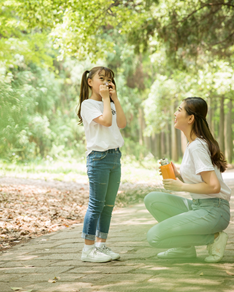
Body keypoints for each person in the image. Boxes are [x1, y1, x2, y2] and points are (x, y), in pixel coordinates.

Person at [144, 97, 231, 263]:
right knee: (152, 200)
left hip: (214, 211)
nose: (175, 113)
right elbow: (201, 179)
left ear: (190, 118)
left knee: (154, 237)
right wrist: (178, 174)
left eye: (179, 110)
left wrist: (182, 186)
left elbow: (214, 186)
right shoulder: (193, 144)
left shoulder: (197, 146)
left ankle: (213, 238)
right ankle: (184, 249)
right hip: (199, 206)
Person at [77, 66, 127, 263]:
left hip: (115, 157)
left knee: (108, 205)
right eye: (102, 78)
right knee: (96, 204)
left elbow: (121, 123)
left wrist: (115, 99)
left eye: (109, 79)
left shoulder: (110, 103)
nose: (106, 82)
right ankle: (87, 250)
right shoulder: (88, 104)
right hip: (98, 158)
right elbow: (106, 122)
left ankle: (100, 245)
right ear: (90, 81)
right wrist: (107, 99)